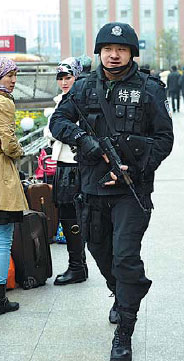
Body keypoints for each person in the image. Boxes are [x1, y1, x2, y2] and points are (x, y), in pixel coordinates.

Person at [50, 22, 173, 361]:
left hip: (132, 191)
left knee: (125, 257)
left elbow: (165, 138)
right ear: (99, 52)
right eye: (107, 49)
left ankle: (124, 333)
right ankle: (121, 294)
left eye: (120, 49)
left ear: (132, 53)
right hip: (91, 187)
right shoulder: (85, 87)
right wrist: (85, 141)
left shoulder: (148, 89)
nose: (113, 54)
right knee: (101, 252)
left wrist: (137, 167)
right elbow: (58, 121)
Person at [44, 57, 87, 286]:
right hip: (62, 162)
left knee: (72, 216)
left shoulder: (80, 100)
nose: (63, 82)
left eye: (67, 77)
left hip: (73, 163)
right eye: (60, 78)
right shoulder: (61, 100)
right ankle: (78, 265)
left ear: (77, 77)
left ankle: (77, 267)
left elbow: (55, 131)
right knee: (66, 214)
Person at [0, 57, 28, 314]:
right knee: (3, 237)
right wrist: (19, 150)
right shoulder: (4, 103)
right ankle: (0, 298)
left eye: (14, 74)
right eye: (9, 74)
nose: (13, 79)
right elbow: (8, 144)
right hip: (2, 178)